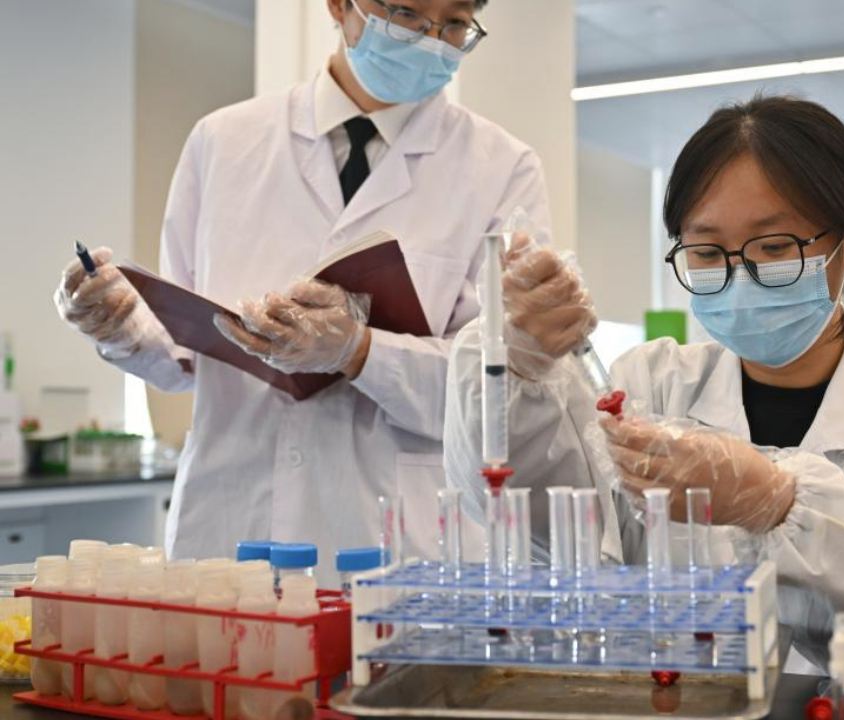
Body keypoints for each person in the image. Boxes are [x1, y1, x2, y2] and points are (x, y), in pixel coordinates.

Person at [444, 96, 844, 672]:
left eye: (776, 246)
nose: (739, 274)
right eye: (706, 251)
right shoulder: (647, 384)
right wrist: (517, 362)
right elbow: (525, 518)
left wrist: (781, 504)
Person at [54, 0, 549, 583]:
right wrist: (122, 329)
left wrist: (360, 352)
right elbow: (181, 357)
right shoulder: (222, 141)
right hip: (231, 524)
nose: (431, 41)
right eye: (407, 14)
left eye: (456, 25)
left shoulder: (503, 169)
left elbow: (506, 389)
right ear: (339, 5)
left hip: (396, 537)